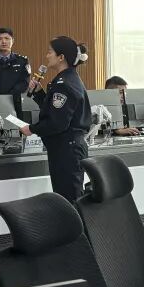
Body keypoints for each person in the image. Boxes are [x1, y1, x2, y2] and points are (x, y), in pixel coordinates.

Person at [20, 36, 91, 203]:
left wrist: (32, 129)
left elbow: (57, 123)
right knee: (67, 196)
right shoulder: (67, 79)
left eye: (50, 52)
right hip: (67, 147)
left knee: (69, 200)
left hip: (67, 148)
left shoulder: (63, 83)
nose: (47, 56)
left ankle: (76, 223)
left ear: (61, 57)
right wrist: (39, 93)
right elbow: (56, 110)